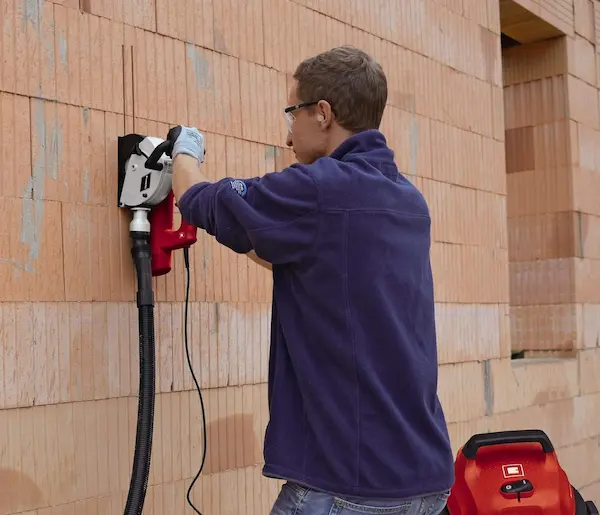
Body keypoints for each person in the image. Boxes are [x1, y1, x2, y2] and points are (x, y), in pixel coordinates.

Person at [168, 45, 455, 515]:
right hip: (425, 485)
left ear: (322, 113)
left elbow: (207, 201)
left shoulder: (321, 188)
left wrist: (183, 153)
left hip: (347, 487)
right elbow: (317, 262)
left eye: (292, 111)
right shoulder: (407, 202)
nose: (287, 133)